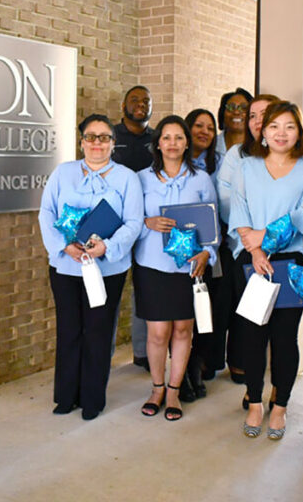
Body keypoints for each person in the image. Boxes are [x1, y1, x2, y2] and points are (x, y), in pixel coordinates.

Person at [38, 114, 143, 421]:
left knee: (98, 332)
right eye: (91, 136)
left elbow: (134, 221)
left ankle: (93, 398)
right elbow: (46, 212)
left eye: (104, 137)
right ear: (81, 141)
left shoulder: (127, 178)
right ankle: (66, 395)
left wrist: (106, 247)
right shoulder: (63, 173)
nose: (97, 143)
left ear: (113, 143)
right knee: (69, 330)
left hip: (106, 269)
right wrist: (63, 246)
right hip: (67, 265)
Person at [229, 101, 303, 440]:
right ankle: (255, 402)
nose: (281, 133)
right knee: (252, 337)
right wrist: (254, 248)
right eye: (274, 126)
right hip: (251, 262)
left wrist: (264, 238)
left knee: (284, 339)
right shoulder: (247, 168)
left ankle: (279, 406)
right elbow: (238, 209)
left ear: (299, 133)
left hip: (291, 262)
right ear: (263, 132)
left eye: (289, 126)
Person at [133, 115, 218, 421]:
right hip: (152, 264)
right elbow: (130, 221)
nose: (172, 144)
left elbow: (211, 223)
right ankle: (156, 388)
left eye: (178, 137)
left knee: (183, 329)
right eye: (166, 137)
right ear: (158, 143)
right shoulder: (141, 179)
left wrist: (207, 253)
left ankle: (173, 390)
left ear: (186, 142)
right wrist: (147, 223)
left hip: (188, 268)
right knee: (157, 333)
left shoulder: (201, 179)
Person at [215, 93, 282, 388]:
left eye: (264, 114)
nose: (257, 121)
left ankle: (280, 395)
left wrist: (269, 234)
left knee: (282, 329)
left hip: (284, 249)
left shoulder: (300, 158)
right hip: (245, 249)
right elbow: (228, 200)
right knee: (251, 322)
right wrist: (253, 238)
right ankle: (253, 390)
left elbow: (299, 207)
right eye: (253, 116)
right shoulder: (237, 155)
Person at [111, 85, 155, 371]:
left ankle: (141, 352)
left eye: (146, 101)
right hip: (114, 226)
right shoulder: (112, 136)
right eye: (134, 100)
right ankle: (105, 352)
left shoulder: (157, 139)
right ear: (124, 105)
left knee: (144, 291)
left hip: (148, 226)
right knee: (110, 292)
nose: (140, 104)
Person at [183, 108, 221, 398]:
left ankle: (197, 367)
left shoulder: (218, 164)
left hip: (210, 247)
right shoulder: (173, 162)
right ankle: (181, 373)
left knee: (205, 312)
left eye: (210, 127)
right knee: (181, 316)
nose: (204, 132)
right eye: (198, 126)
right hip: (178, 250)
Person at [215, 88, 253, 159]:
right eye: (231, 107)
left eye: (243, 107)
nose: (236, 112)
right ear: (222, 113)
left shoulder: (259, 149)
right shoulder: (210, 145)